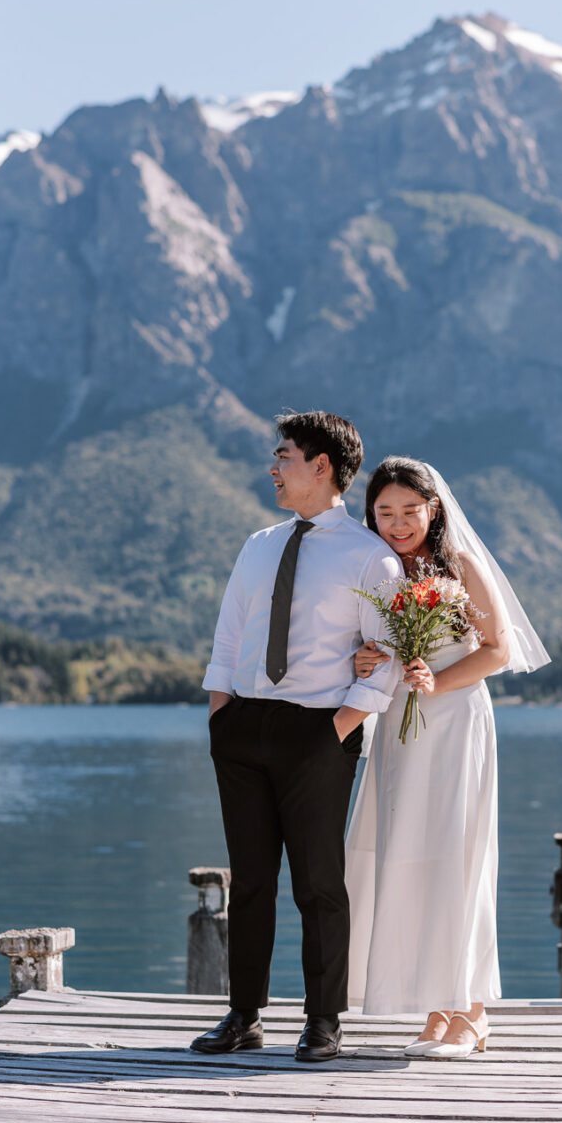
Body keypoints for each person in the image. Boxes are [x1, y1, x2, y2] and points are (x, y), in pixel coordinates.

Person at [190, 412, 402, 1063]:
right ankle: (244, 1016)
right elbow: (230, 636)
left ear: (321, 466)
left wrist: (336, 728)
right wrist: (221, 714)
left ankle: (324, 1020)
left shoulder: (371, 555)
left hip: (320, 730)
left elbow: (389, 656)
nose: (273, 467)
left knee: (318, 882)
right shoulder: (258, 544)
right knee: (251, 880)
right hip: (244, 726)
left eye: (283, 455)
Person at [345, 457, 549, 1058]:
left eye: (411, 510)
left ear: (433, 509)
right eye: (386, 511)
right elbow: (371, 643)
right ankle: (438, 1010)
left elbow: (497, 650)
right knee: (409, 855)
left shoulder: (459, 565)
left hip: (455, 721)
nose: (399, 522)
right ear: (371, 514)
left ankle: (475, 1014)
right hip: (400, 732)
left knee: (457, 854)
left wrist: (437, 681)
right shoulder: (379, 567)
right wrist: (366, 660)